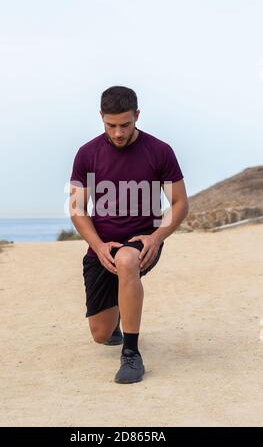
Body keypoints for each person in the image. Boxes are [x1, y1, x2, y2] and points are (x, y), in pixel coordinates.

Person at [69, 86, 189, 384]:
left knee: (126, 261)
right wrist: (96, 246)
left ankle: (132, 355)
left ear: (137, 115)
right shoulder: (87, 154)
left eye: (125, 124)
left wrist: (157, 236)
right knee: (100, 334)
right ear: (101, 117)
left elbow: (180, 203)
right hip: (102, 244)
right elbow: (76, 208)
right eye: (111, 125)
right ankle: (119, 318)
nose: (119, 132)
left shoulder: (159, 151)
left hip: (143, 239)